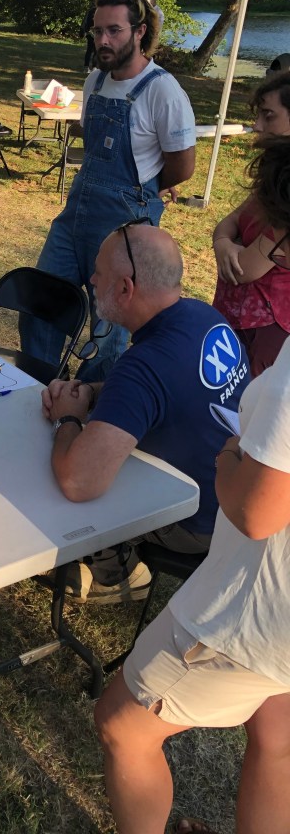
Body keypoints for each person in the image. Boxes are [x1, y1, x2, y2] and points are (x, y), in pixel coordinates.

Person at [94, 336, 290, 834]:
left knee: (123, 727)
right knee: (277, 737)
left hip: (257, 610)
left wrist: (230, 455)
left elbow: (254, 511)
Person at [41, 223, 248, 603]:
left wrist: (67, 417)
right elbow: (165, 392)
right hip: (234, 495)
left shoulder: (144, 366)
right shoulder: (204, 316)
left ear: (125, 288)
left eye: (98, 273)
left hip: (196, 521)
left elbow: (78, 481)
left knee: (71, 476)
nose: (91, 280)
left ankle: (114, 572)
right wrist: (93, 393)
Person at [21, 0, 196, 382]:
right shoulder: (95, 82)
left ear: (139, 31)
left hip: (124, 223)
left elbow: (183, 166)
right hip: (75, 216)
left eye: (114, 31)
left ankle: (90, 402)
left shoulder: (162, 90)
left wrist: (144, 188)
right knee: (41, 302)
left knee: (108, 326)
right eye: (98, 31)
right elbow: (93, 143)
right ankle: (37, 386)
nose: (103, 40)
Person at [212, 74, 290, 375]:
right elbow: (230, 220)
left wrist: (225, 245)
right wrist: (223, 242)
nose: (257, 126)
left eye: (268, 116)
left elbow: (245, 269)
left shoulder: (286, 191)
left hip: (266, 332)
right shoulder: (274, 175)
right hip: (237, 321)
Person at [81, 3, 96, 72]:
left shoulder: (90, 11)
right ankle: (94, 67)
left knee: (89, 50)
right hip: (95, 33)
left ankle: (86, 67)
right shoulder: (101, 11)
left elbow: (85, 22)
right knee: (96, 51)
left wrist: (85, 31)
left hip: (89, 33)